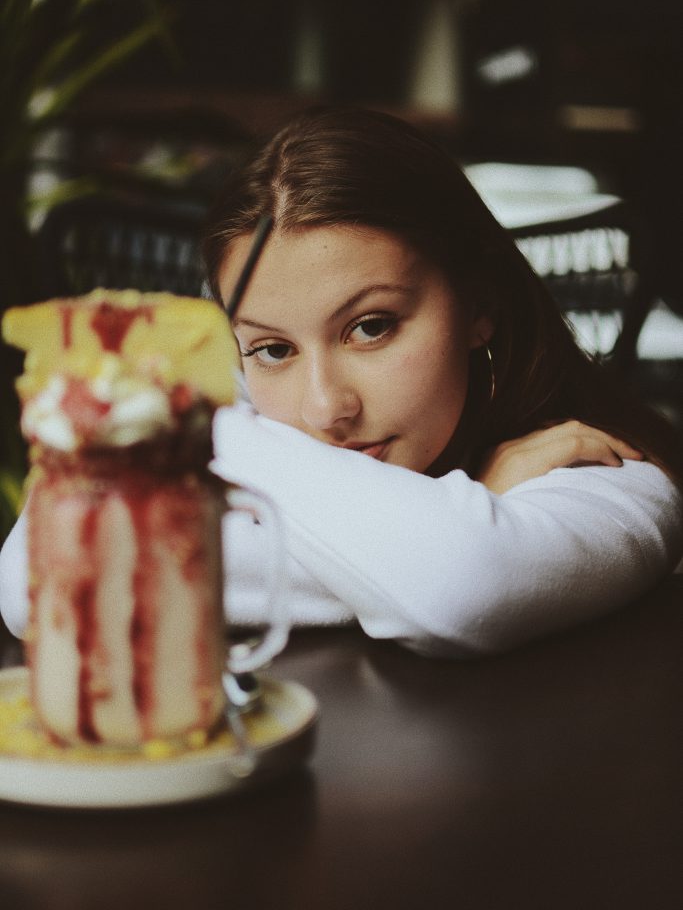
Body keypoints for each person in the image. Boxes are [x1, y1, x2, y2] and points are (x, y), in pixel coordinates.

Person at [1, 106, 682, 656]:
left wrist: (176, 421)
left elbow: (461, 584)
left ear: (478, 307)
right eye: (271, 349)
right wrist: (468, 509)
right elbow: (38, 578)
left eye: (371, 327)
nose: (325, 408)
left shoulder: (607, 469)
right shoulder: (244, 415)